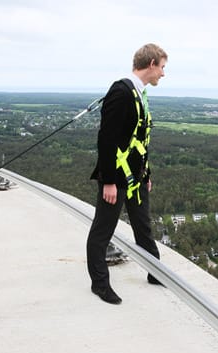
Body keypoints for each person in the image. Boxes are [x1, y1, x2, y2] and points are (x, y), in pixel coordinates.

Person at [86, 43, 168, 304]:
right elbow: (107, 140)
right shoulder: (121, 92)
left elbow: (140, 140)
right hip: (117, 178)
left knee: (143, 227)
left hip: (137, 177)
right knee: (103, 230)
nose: (163, 74)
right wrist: (108, 181)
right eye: (162, 68)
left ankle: (156, 273)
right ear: (152, 63)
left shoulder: (139, 93)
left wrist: (147, 173)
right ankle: (100, 284)